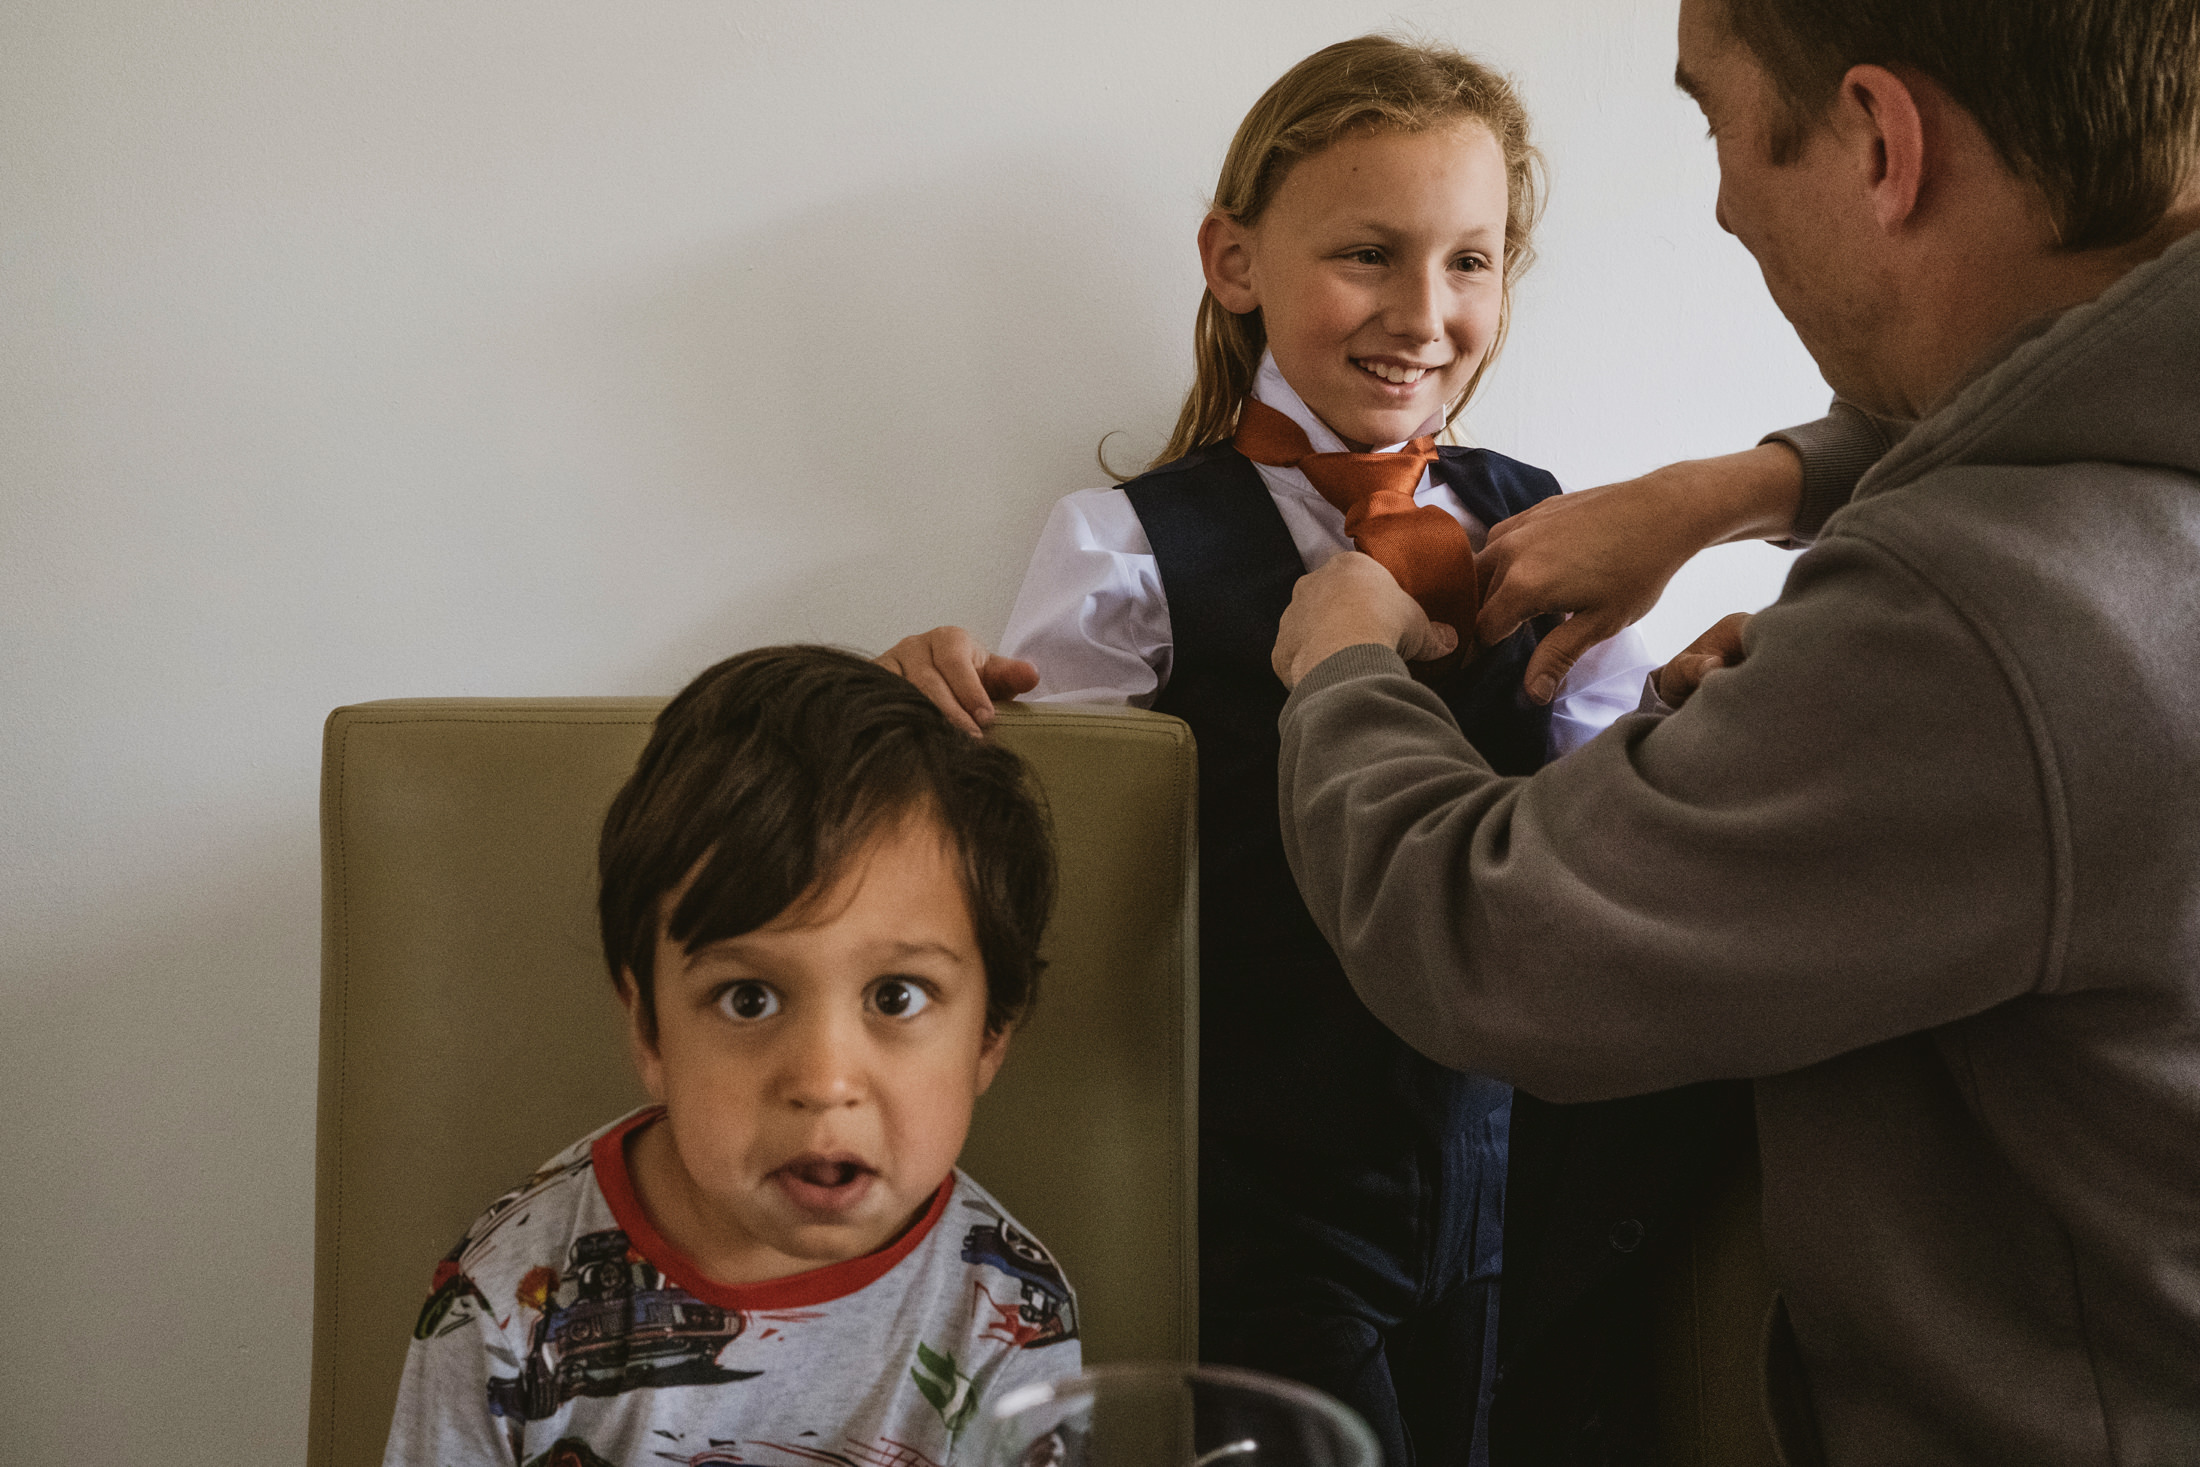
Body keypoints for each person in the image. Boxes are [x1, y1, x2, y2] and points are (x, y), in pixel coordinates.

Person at [1268, 0, 2200, 1461]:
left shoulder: (1981, 614)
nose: (1717, 205)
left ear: (1884, 143)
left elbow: (1491, 931)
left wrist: (1336, 670)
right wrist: (1746, 487)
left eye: (1717, 124)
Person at [882, 36, 1677, 1467]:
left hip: (1520, 1190)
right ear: (1234, 259)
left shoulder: (1555, 530)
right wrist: (915, 719)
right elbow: (1042, 881)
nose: (1424, 313)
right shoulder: (1126, 550)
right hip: (1254, 1200)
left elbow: (1628, 830)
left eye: (1472, 262)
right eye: (1370, 254)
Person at [382, 647, 1079, 1467]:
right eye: (749, 998)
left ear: (990, 1033)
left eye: (896, 995)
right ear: (648, 1028)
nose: (824, 1082)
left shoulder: (1011, 1309)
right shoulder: (504, 1305)